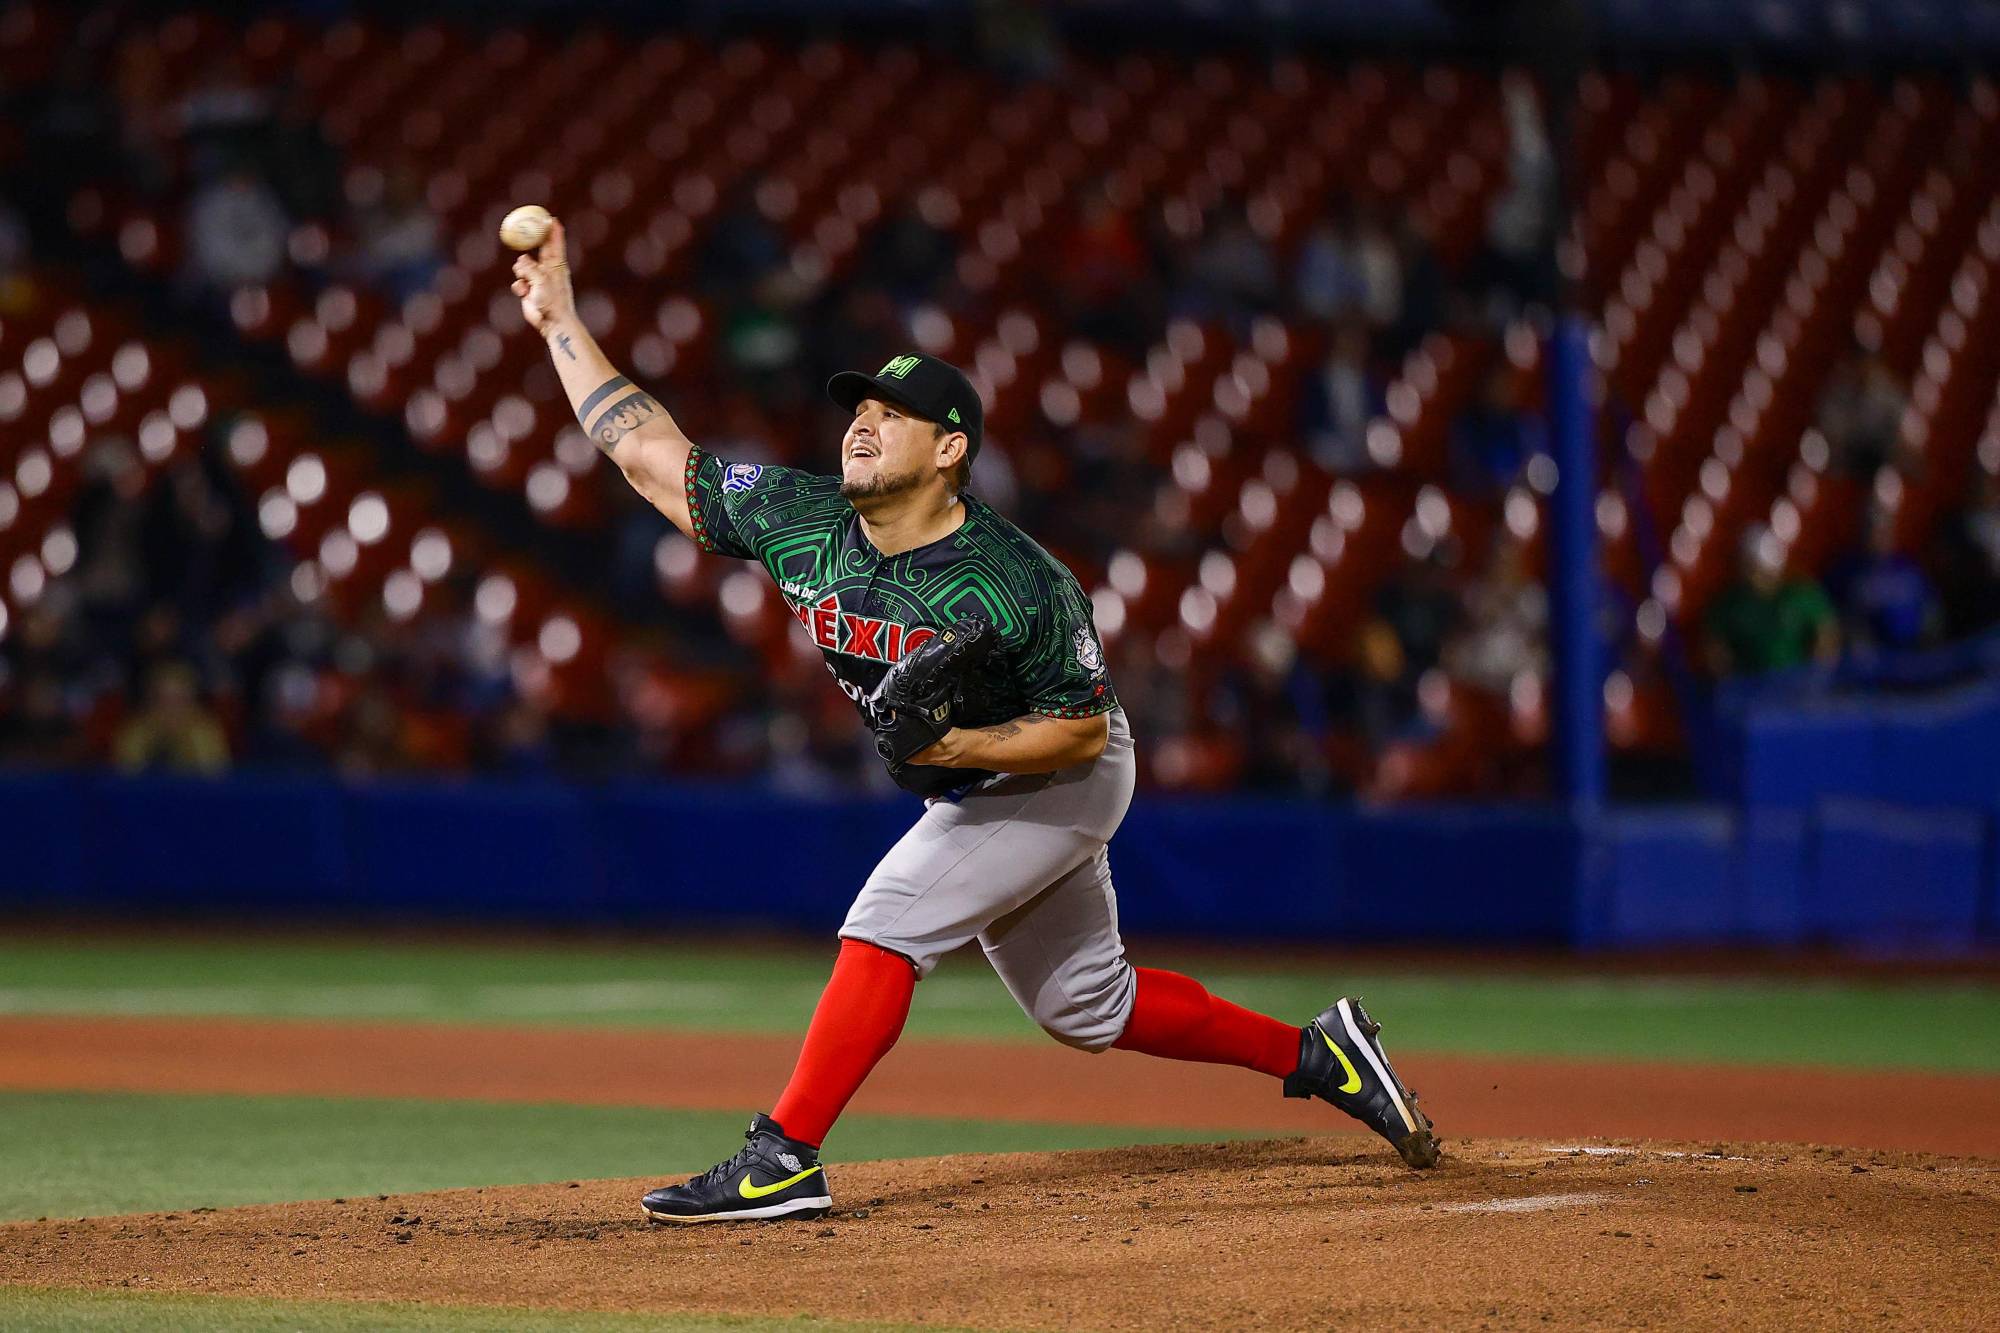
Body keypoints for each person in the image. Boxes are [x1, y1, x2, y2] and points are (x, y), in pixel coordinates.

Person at [510, 218, 1441, 1224]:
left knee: (888, 916)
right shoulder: (802, 519)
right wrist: (560, 318)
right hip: (979, 775)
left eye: (893, 413)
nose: (861, 424)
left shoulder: (1016, 583)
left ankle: (783, 1157)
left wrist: (954, 748)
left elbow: (1080, 731)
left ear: (949, 448)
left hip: (1057, 769)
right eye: (856, 409)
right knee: (1087, 1006)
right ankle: (1321, 1055)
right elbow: (648, 452)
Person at [1703, 526, 1839, 678]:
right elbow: (1716, 652)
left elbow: (1826, 635)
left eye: (1757, 567)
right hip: (1751, 688)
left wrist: (1816, 677)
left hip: (1797, 683)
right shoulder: (1730, 604)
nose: (1753, 575)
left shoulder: (1800, 594)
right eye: (1748, 566)